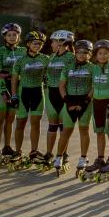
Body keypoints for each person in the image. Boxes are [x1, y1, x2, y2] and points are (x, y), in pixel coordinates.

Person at [55, 39, 95, 177]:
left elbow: (94, 87)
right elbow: (61, 85)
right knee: (66, 131)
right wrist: (67, 100)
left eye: (85, 52)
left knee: (84, 130)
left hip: (85, 101)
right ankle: (59, 157)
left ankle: (83, 158)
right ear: (75, 53)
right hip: (70, 101)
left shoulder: (92, 68)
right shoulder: (68, 66)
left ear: (90, 54)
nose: (82, 55)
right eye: (79, 52)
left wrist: (86, 100)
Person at [10, 31, 48, 168]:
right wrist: (13, 95)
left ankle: (33, 151)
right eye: (35, 43)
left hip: (38, 92)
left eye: (40, 44)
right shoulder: (20, 60)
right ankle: (18, 151)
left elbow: (50, 75)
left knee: (35, 124)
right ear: (28, 44)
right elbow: (14, 79)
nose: (37, 46)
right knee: (20, 124)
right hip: (23, 93)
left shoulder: (45, 59)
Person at [83, 39, 109, 181]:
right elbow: (91, 86)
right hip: (96, 103)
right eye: (100, 53)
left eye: (106, 53)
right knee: (99, 132)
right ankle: (100, 158)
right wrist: (87, 99)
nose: (103, 56)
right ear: (95, 55)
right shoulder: (93, 68)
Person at [0, 23, 24, 166]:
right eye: (9, 35)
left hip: (16, 88)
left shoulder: (23, 51)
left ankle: (7, 146)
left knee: (10, 118)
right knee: (0, 118)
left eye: (14, 34)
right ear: (4, 37)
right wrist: (8, 76)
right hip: (2, 88)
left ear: (18, 36)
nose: (12, 37)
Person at [43, 30, 75, 169]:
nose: (51, 43)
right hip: (51, 94)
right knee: (52, 126)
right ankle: (49, 154)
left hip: (64, 95)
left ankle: (63, 154)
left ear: (61, 42)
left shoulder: (71, 58)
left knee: (63, 128)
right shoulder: (51, 57)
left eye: (53, 41)